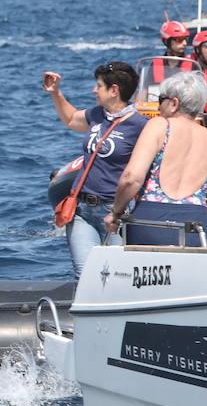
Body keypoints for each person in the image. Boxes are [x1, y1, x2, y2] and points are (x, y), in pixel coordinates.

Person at [105, 71, 207, 246]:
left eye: (160, 100)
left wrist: (116, 213)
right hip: (197, 229)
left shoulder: (159, 126)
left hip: (150, 225)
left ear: (173, 103)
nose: (157, 107)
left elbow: (131, 178)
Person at [41, 62, 145, 278]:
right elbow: (71, 119)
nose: (93, 90)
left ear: (114, 90)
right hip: (82, 211)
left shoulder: (140, 125)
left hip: (117, 214)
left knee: (116, 277)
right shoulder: (97, 115)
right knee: (85, 275)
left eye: (98, 86)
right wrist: (56, 93)